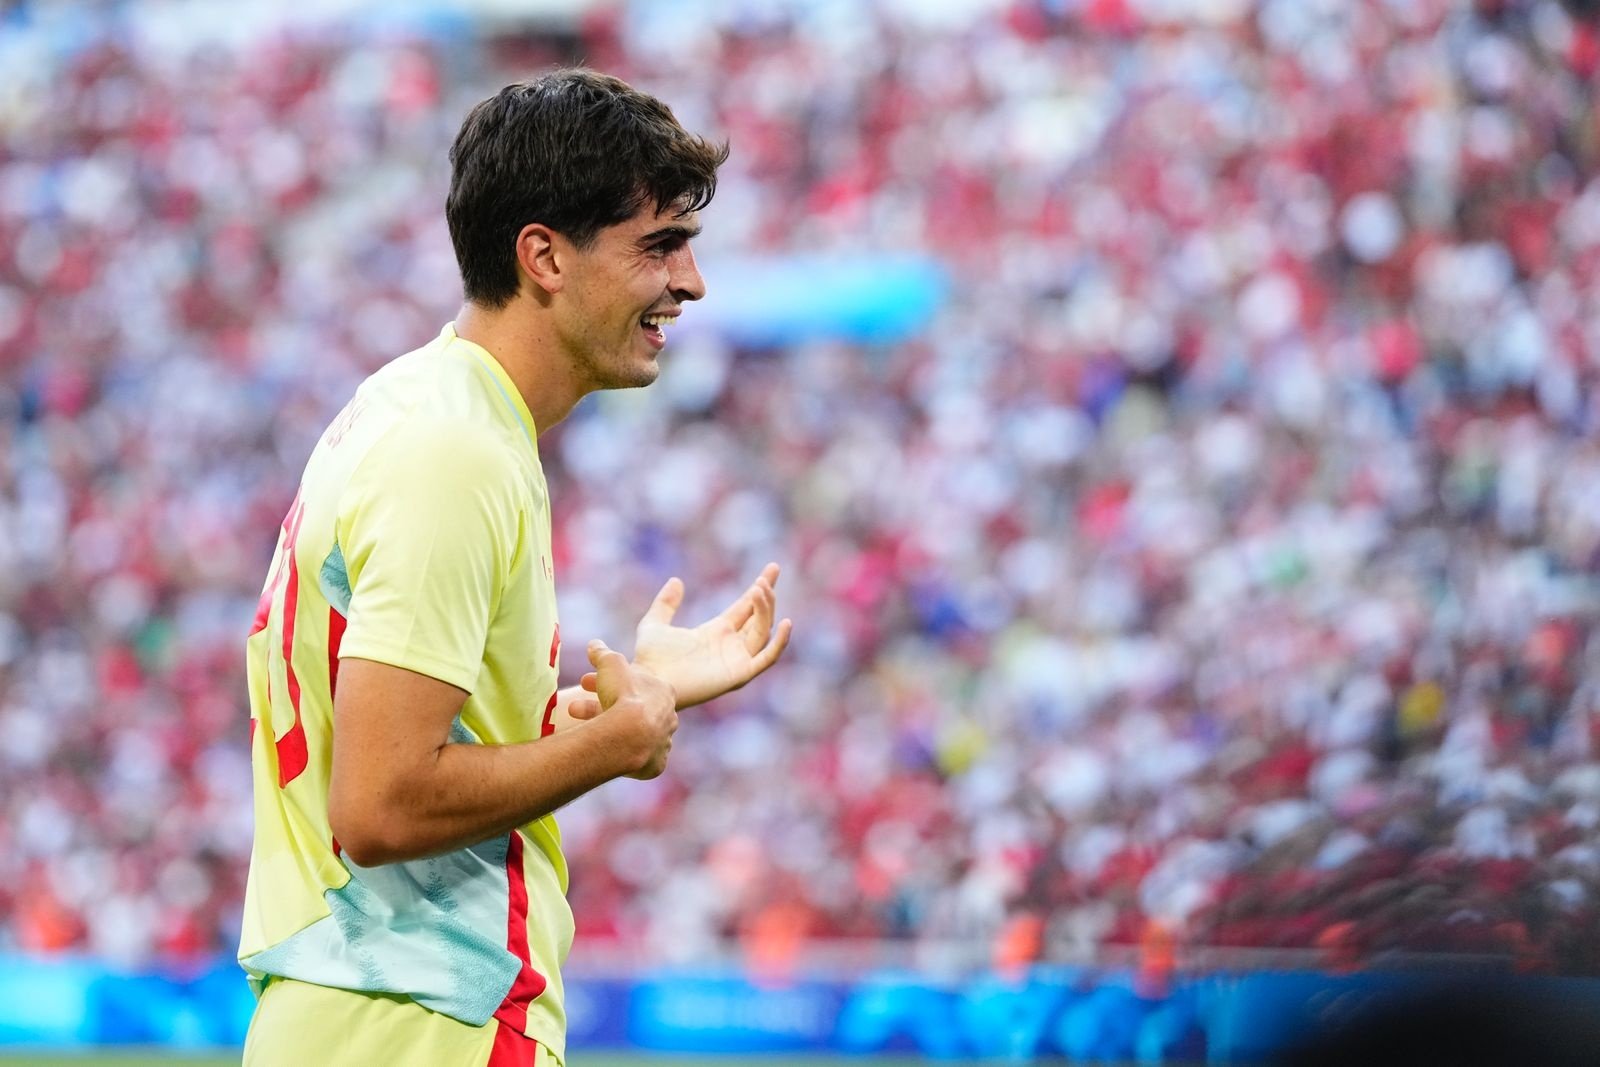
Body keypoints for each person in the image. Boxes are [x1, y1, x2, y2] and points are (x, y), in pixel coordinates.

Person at [237, 69, 792, 1066]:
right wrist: (613, 744)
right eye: (659, 246)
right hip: (418, 1016)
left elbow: (414, 730)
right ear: (543, 255)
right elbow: (382, 800)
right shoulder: (455, 452)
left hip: (368, 1010)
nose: (691, 283)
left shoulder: (423, 408)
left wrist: (628, 697)